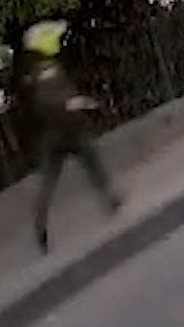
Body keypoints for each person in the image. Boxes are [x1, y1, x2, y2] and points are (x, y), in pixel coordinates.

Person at [19, 20, 122, 253]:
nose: (58, 41)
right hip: (60, 133)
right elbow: (44, 103)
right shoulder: (44, 71)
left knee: (88, 162)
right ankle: (41, 225)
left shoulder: (43, 68)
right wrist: (71, 103)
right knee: (85, 163)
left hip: (61, 132)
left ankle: (109, 199)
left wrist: (76, 101)